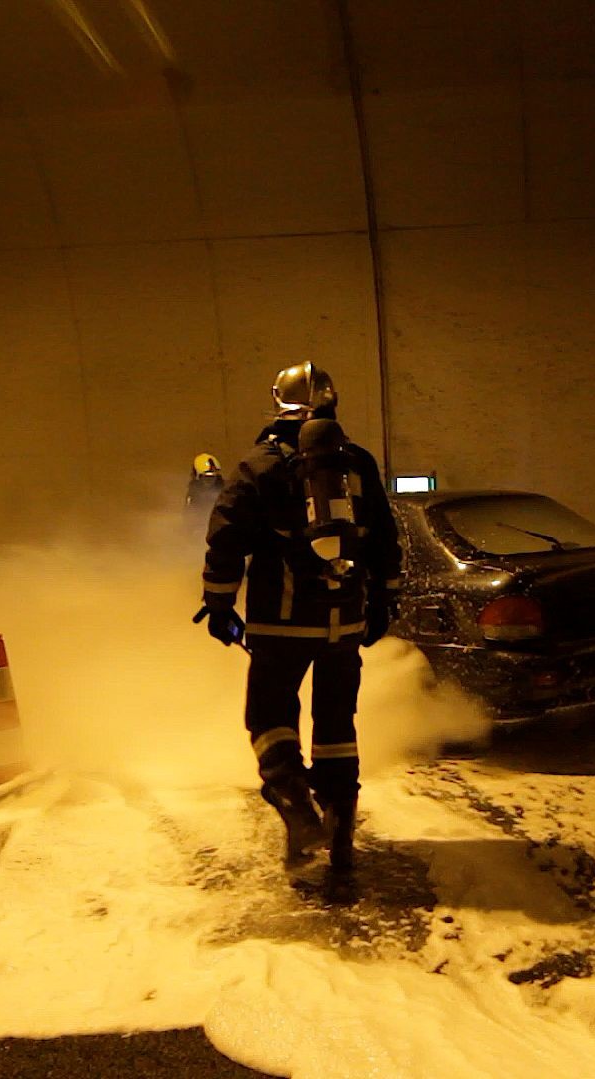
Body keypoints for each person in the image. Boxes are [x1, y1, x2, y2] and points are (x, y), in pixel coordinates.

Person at [192, 362, 402, 875]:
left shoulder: (260, 465)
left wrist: (220, 604)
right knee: (336, 725)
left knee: (269, 717)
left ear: (277, 403)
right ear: (332, 403)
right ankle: (341, 825)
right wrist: (382, 603)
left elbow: (225, 539)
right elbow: (385, 539)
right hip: (344, 624)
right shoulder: (358, 464)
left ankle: (293, 802)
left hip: (279, 625)